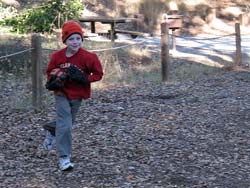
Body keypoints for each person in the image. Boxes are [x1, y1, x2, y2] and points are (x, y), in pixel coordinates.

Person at [43, 20, 103, 171]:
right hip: (61, 92)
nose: (75, 42)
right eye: (71, 39)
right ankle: (64, 158)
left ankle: (51, 129)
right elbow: (50, 70)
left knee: (67, 123)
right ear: (65, 40)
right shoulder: (57, 56)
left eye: (78, 38)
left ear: (82, 39)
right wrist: (53, 79)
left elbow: (98, 74)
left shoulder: (89, 57)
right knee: (66, 125)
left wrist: (85, 78)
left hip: (78, 94)